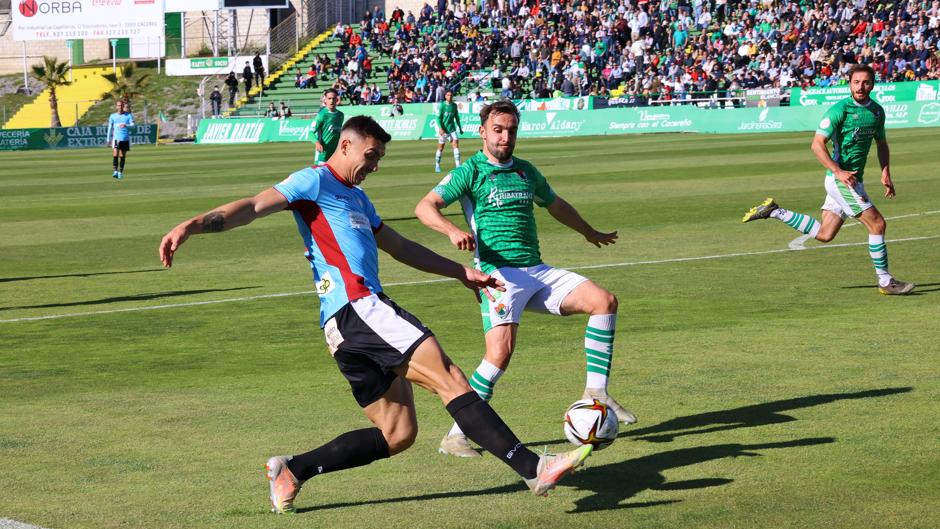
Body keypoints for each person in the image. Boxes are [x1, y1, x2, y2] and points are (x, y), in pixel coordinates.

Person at [157, 115, 592, 514]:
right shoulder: (313, 181)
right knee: (449, 376)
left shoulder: (359, 200)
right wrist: (190, 226)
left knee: (397, 434)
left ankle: (294, 469)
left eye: (379, 159)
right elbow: (252, 207)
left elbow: (400, 247)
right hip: (359, 307)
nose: (374, 165)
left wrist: (461, 272)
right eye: (370, 156)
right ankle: (533, 467)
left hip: (343, 326)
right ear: (345, 145)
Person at [415, 100, 636, 458]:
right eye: (498, 130)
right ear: (483, 131)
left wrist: (588, 231)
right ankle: (456, 434)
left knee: (604, 301)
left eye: (511, 130)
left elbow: (555, 204)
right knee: (499, 354)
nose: (505, 137)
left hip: (537, 270)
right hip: (498, 276)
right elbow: (425, 207)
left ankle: (597, 393)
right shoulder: (470, 171)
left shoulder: (525, 171)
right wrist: (451, 230)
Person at [742, 64, 914, 295]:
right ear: (849, 83)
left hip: (853, 179)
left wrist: (885, 172)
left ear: (873, 84)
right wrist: (838, 171)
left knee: (825, 234)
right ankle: (885, 281)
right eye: (856, 82)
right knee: (878, 224)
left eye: (865, 82)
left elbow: (881, 143)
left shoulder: (876, 112)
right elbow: (816, 144)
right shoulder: (839, 110)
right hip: (842, 181)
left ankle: (774, 211)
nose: (861, 87)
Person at [311, 88, 344, 165]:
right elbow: (310, 133)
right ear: (325, 100)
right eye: (329, 98)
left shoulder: (340, 115)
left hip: (335, 155)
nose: (331, 101)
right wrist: (317, 143)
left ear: (337, 100)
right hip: (322, 155)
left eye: (333, 98)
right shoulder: (322, 115)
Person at [435, 90, 463, 173]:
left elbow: (457, 117)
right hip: (444, 129)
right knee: (441, 147)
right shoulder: (442, 105)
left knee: (455, 143)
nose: (449, 97)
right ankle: (437, 165)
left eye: (451, 95)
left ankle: (458, 165)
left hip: (452, 129)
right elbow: (438, 118)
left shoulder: (454, 106)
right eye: (448, 95)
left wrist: (460, 128)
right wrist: (440, 128)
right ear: (445, 96)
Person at [106, 100, 134, 180]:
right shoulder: (112, 116)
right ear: (116, 107)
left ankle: (120, 172)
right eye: (118, 105)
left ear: (123, 106)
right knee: (115, 154)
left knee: (122, 156)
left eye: (121, 105)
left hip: (125, 138)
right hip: (116, 138)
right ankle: (115, 171)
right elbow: (110, 128)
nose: (120, 107)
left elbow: (133, 126)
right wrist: (108, 139)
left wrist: (126, 125)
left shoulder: (128, 115)